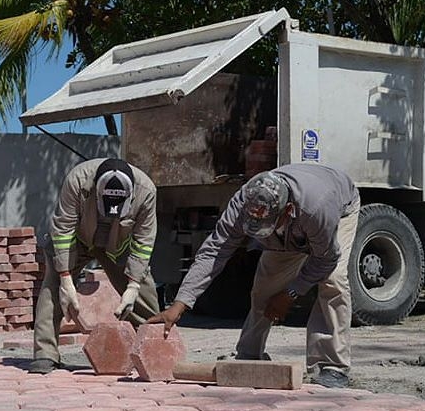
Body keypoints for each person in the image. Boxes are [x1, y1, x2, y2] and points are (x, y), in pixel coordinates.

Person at [148, 163, 360, 388]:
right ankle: (249, 355)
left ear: (286, 211)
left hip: (339, 210)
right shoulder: (243, 203)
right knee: (264, 288)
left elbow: (326, 260)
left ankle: (332, 366)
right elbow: (214, 252)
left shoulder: (317, 209)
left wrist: (291, 293)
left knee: (333, 281)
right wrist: (179, 305)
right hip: (287, 232)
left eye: (264, 225)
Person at [29, 158, 161, 374]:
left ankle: (155, 348)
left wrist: (133, 285)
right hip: (77, 239)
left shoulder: (146, 191)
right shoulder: (77, 180)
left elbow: (144, 240)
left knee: (144, 294)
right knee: (53, 287)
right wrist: (65, 278)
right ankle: (45, 354)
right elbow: (63, 228)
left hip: (119, 243)